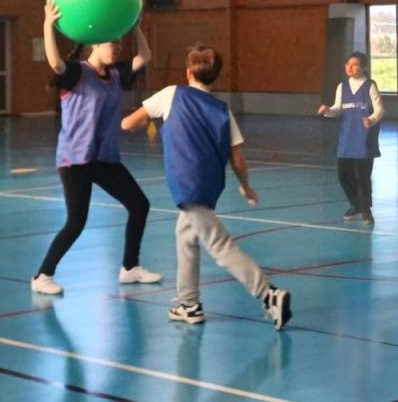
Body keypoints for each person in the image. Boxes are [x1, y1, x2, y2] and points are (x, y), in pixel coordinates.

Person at [121, 44, 292, 330]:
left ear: (188, 72)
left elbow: (128, 123)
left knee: (219, 245)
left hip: (187, 185)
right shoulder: (222, 110)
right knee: (185, 236)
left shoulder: (171, 94)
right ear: (215, 76)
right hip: (209, 186)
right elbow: (237, 159)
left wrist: (135, 120)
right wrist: (246, 187)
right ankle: (189, 304)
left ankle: (269, 294)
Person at [32, 0, 161, 296]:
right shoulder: (77, 73)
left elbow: (145, 56)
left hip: (105, 160)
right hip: (75, 160)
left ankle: (130, 268)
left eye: (118, 43)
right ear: (95, 45)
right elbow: (55, 63)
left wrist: (135, 26)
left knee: (139, 205)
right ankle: (42, 275)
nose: (116, 47)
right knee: (76, 222)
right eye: (111, 43)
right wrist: (47, 25)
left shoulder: (116, 75)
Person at [318, 52, 383, 225]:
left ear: (363, 67)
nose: (350, 67)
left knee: (363, 176)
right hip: (346, 138)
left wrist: (371, 119)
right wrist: (327, 111)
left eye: (355, 65)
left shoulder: (370, 86)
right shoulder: (342, 86)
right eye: (348, 64)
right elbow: (337, 109)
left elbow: (380, 110)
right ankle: (356, 204)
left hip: (364, 139)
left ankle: (366, 210)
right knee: (343, 174)